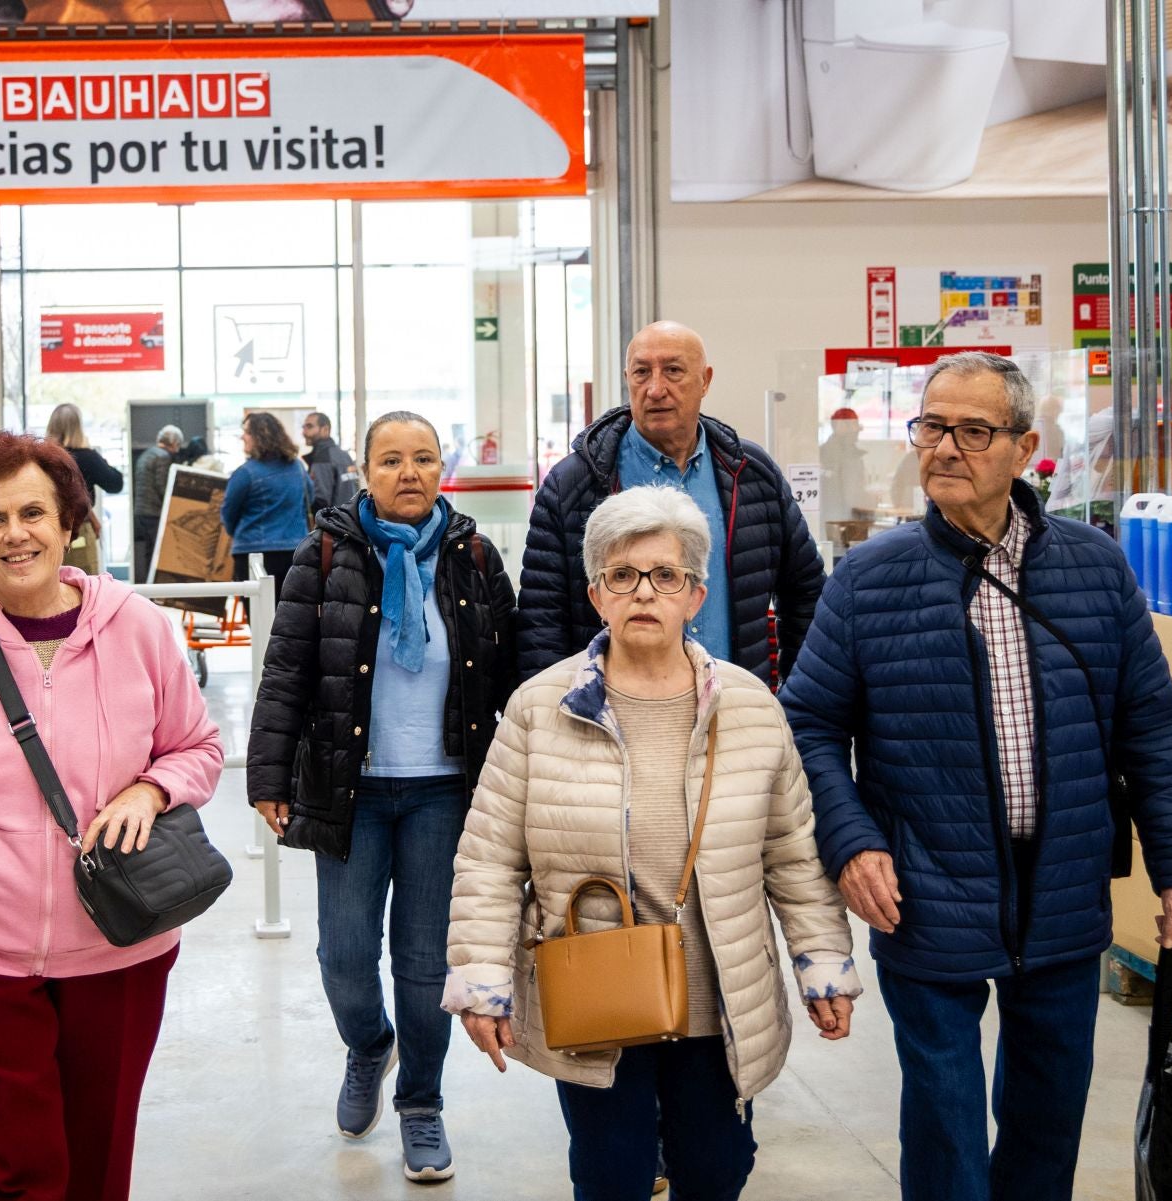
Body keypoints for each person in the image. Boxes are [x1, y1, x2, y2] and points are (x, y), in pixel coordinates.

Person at [779, 351, 1172, 1201]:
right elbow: (811, 723)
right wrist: (852, 840)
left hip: (1062, 887)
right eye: (931, 426)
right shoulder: (870, 579)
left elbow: (1150, 730)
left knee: (1047, 1116)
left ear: (1023, 447)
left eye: (972, 431)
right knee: (944, 1120)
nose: (944, 447)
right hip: (927, 884)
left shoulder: (1095, 568)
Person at [445, 485, 861, 1201]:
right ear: (596, 593)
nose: (645, 592)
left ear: (696, 594)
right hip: (594, 989)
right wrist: (484, 979)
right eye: (623, 575)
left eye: (666, 575)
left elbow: (792, 852)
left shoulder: (750, 708)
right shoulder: (541, 707)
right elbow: (489, 856)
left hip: (719, 994)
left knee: (716, 1167)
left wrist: (821, 958)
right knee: (612, 1173)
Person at [0, 432, 223, 1201]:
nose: (15, 532)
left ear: (69, 523)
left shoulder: (141, 628)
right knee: (9, 1174)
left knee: (97, 1165)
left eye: (33, 511)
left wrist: (151, 789)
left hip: (120, 946)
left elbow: (198, 747)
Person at [247, 410, 518, 1183]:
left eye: (423, 458)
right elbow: (287, 672)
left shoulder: (472, 555)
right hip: (350, 791)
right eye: (391, 459)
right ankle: (369, 1045)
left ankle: (422, 1104)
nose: (409, 472)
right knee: (344, 953)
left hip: (443, 791)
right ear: (364, 470)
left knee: (427, 964)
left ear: (442, 470)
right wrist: (269, 777)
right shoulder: (325, 554)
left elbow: (508, 675)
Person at [519, 320, 825, 685]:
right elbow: (541, 623)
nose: (655, 389)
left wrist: (796, 700)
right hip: (613, 718)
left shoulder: (752, 474)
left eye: (674, 371)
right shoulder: (574, 484)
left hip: (736, 711)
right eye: (642, 372)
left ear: (705, 380)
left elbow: (806, 594)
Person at [222, 411, 310, 593]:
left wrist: (238, 533)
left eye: (246, 432)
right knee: (290, 616)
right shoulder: (298, 468)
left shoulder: (245, 473)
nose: (242, 437)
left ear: (259, 436)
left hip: (253, 553)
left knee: (259, 616)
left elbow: (228, 513)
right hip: (294, 550)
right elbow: (310, 498)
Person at [45, 402, 124, 576]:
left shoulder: (42, 458)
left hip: (45, 531)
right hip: (78, 533)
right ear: (78, 428)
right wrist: (94, 455)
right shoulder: (87, 457)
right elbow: (115, 483)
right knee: (83, 586)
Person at [132, 423, 183, 581]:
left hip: (141, 511)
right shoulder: (163, 456)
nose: (178, 449)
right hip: (154, 512)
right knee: (157, 554)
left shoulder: (147, 454)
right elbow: (163, 486)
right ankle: (155, 589)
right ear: (173, 443)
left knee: (149, 552)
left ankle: (150, 589)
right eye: (179, 445)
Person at [301, 409, 358, 516]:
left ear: (325, 429)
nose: (304, 432)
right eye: (303, 427)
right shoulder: (345, 455)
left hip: (332, 526)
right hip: (350, 521)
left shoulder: (322, 458)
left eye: (309, 427)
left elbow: (320, 502)